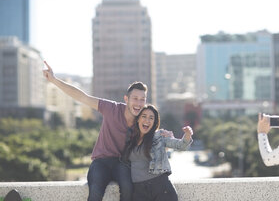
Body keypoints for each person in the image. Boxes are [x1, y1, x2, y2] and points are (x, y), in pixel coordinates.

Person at [43, 61, 146, 201]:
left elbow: (155, 133)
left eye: (142, 100)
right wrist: (54, 80)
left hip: (122, 164)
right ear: (126, 99)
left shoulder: (143, 120)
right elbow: (82, 97)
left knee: (128, 189)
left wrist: (170, 136)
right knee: (95, 191)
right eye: (135, 99)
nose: (139, 103)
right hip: (101, 161)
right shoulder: (112, 108)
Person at [123, 104, 193, 201]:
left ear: (154, 122)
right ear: (138, 119)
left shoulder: (159, 136)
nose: (147, 120)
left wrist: (188, 135)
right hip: (139, 190)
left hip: (161, 187)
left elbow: (181, 145)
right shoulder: (130, 138)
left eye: (151, 118)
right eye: (144, 116)